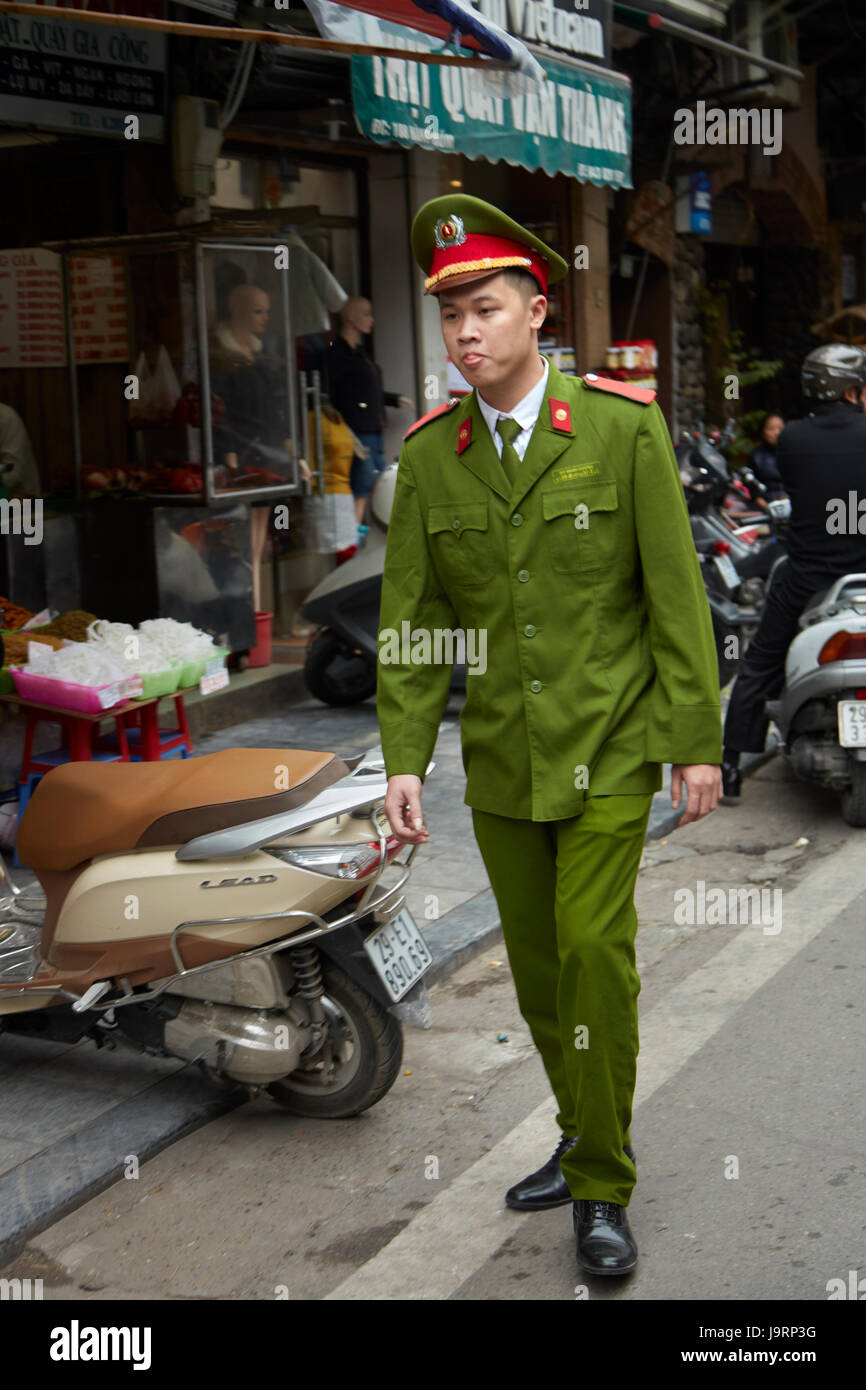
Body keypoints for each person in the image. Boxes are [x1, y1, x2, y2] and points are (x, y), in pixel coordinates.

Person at [376, 194, 722, 1278]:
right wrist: (399, 758)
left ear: (536, 310)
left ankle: (601, 1184)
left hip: (611, 748)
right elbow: (412, 624)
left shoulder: (620, 430)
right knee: (536, 978)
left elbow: (674, 598)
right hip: (501, 763)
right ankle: (581, 1132)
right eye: (450, 317)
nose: (465, 333)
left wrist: (694, 738)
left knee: (591, 955)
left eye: (484, 308)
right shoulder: (433, 458)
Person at [722, 344, 866, 798]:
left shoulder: (792, 438)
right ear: (850, 389)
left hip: (807, 577)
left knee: (760, 663)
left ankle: (729, 765)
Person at [325, 297, 414, 526]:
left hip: (372, 430)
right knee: (364, 488)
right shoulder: (338, 355)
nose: (371, 320)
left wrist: (394, 399)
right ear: (352, 318)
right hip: (356, 432)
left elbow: (366, 391)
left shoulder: (361, 353)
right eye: (366, 314)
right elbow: (334, 395)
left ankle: (369, 541)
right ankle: (354, 547)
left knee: (379, 484)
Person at [747, 412, 786, 502]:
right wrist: (765, 506)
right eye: (771, 429)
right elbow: (751, 488)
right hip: (765, 503)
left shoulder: (793, 453)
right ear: (763, 432)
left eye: (780, 428)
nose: (776, 432)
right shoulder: (756, 455)